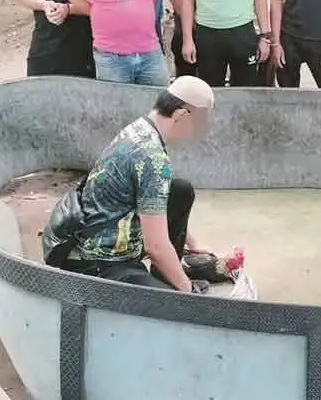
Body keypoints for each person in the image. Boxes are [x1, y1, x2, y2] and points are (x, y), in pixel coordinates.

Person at [46, 76, 216, 292]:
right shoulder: (152, 158)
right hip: (98, 261)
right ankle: (169, 282)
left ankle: (165, 274)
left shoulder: (140, 129)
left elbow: (156, 202)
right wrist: (187, 290)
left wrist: (193, 244)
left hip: (106, 229)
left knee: (180, 190)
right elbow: (155, 246)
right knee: (176, 305)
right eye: (200, 121)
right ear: (181, 115)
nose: (200, 129)